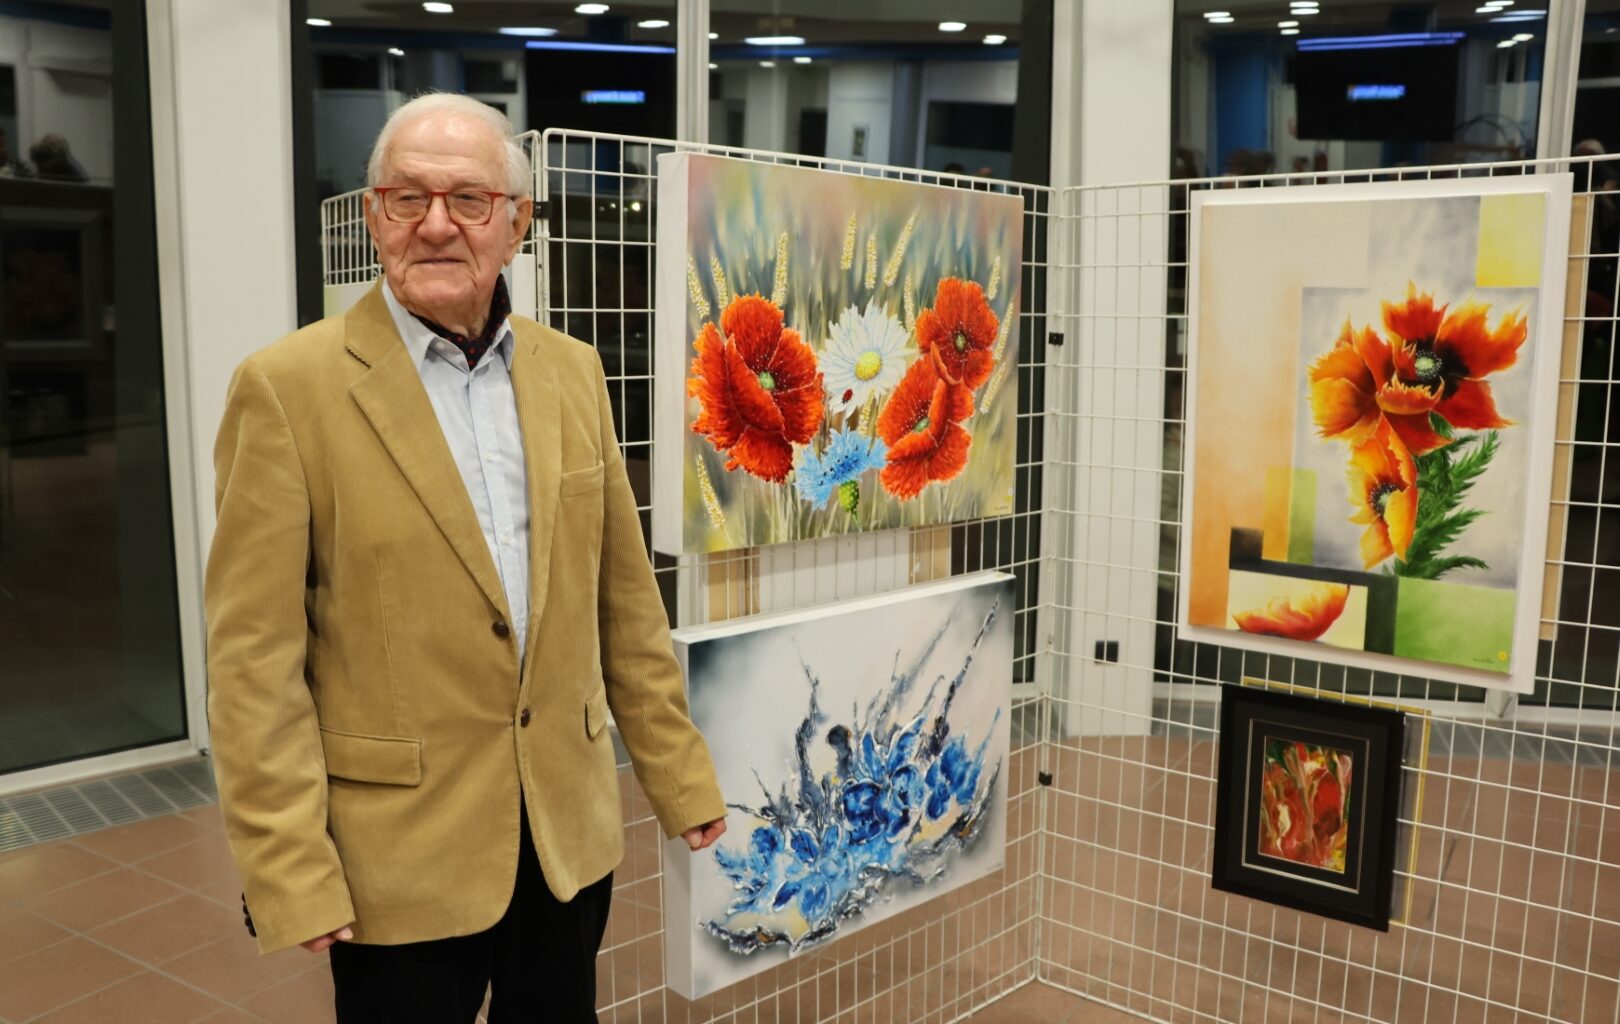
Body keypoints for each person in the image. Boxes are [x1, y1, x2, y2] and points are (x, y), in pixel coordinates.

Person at [205, 92, 727, 1023]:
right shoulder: (287, 391)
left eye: (469, 200)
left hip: (562, 839)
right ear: (372, 215)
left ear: (517, 222)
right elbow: (254, 665)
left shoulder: (574, 371)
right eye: (407, 198)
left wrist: (678, 776)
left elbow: (625, 604)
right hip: (396, 861)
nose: (436, 225)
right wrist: (289, 866)